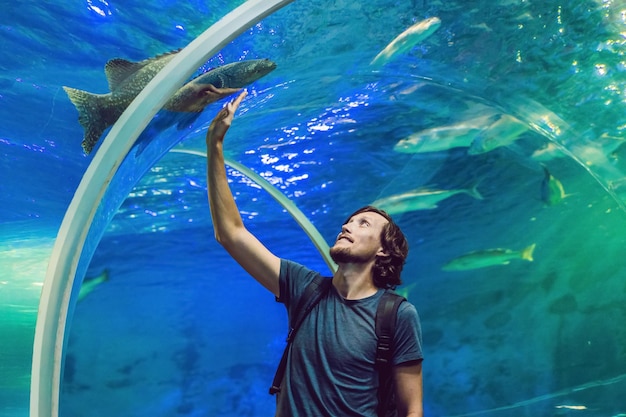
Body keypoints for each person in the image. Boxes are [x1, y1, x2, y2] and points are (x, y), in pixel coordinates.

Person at [206, 90, 424, 417]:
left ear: (383, 250)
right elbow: (232, 234)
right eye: (348, 220)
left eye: (362, 223)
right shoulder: (304, 288)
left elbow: (412, 409)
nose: (347, 225)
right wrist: (215, 146)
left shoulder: (396, 316)